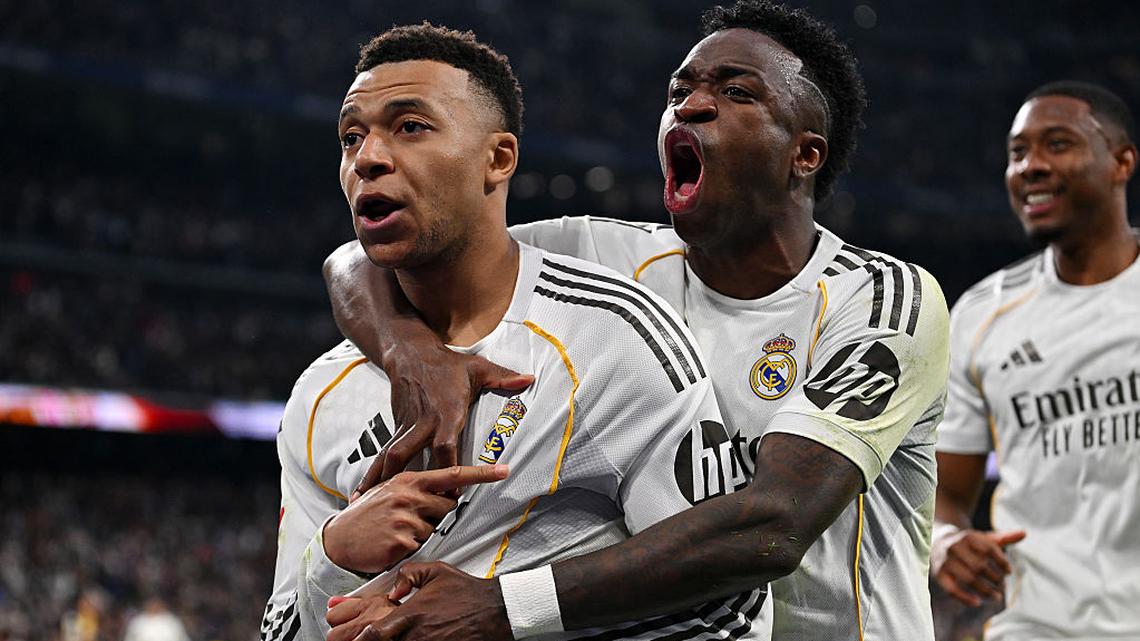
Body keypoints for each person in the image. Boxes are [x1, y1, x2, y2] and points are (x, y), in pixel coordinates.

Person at [321, 2, 951, 640]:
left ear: (805, 154)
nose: (690, 105)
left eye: (735, 93)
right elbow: (374, 254)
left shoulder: (879, 300)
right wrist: (410, 352)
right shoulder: (601, 256)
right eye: (679, 90)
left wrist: (502, 608)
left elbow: (773, 525)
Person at [259, 23, 766, 641]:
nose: (367, 157)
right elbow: (280, 630)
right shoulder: (320, 395)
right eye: (351, 137)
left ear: (497, 159)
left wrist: (502, 614)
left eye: (410, 127)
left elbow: (728, 605)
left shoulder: (612, 338)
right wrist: (334, 556)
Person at [933, 81, 1139, 640]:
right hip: (1035, 626)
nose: (1031, 167)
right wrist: (947, 542)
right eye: (1018, 153)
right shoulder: (981, 314)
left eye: (1058, 144)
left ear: (1122, 162)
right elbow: (947, 492)